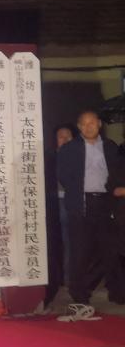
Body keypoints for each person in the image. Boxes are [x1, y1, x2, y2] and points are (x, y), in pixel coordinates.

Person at [56, 109, 125, 316]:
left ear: (99, 124)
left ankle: (117, 292)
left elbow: (117, 173)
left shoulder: (110, 147)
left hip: (106, 203)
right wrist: (78, 192)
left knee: (110, 250)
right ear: (79, 127)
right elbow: (63, 175)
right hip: (82, 204)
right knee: (80, 252)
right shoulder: (70, 149)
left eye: (92, 123)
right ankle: (79, 294)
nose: (88, 127)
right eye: (84, 124)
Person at [43, 124, 75, 306]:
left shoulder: (78, 156)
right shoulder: (49, 156)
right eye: (61, 136)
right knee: (56, 242)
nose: (64, 139)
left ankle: (68, 279)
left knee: (70, 242)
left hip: (71, 203)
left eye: (68, 136)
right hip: (52, 204)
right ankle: (57, 280)